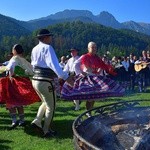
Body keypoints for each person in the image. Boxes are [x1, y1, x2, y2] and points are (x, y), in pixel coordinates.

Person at [61, 41, 125, 117]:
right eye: (92, 47)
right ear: (88, 48)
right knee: (90, 96)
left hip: (95, 77)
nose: (94, 49)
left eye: (95, 47)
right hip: (87, 78)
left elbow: (102, 65)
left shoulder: (97, 57)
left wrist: (101, 71)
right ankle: (87, 112)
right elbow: (76, 65)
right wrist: (81, 73)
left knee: (94, 96)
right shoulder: (84, 56)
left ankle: (89, 112)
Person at [31, 29, 69, 138]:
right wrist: (65, 77)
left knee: (44, 102)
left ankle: (37, 121)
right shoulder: (48, 48)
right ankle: (46, 130)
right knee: (51, 107)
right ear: (46, 37)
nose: (51, 38)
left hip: (35, 80)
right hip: (45, 80)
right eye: (50, 37)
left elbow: (33, 66)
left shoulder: (34, 49)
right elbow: (54, 65)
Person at [0, 44, 40, 129]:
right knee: (19, 102)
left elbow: (10, 68)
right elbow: (31, 71)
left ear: (15, 50)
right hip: (22, 82)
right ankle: (22, 120)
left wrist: (9, 73)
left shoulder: (14, 58)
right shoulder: (24, 60)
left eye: (13, 50)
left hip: (13, 82)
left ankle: (14, 121)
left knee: (11, 102)